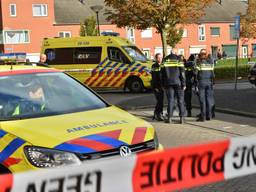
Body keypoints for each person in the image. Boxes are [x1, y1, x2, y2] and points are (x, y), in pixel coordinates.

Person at [161, 52, 186, 124]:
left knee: (170, 100)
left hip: (168, 83)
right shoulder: (179, 59)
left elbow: (162, 73)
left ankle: (169, 118)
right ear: (176, 52)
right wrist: (184, 83)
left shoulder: (165, 60)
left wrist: (163, 84)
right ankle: (181, 118)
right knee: (180, 100)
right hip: (178, 83)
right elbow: (182, 72)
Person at [195, 49, 215, 122]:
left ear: (200, 55)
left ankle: (202, 117)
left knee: (202, 100)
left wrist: (195, 82)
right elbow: (213, 74)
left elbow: (195, 73)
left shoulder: (199, 62)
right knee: (209, 100)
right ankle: (209, 116)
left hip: (201, 82)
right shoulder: (210, 62)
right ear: (206, 54)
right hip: (209, 82)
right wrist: (213, 82)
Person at [151, 53, 164, 121]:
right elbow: (154, 78)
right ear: (156, 58)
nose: (159, 59)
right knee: (159, 100)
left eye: (160, 57)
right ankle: (157, 113)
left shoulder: (163, 65)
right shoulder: (154, 66)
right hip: (156, 86)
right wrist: (156, 87)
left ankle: (159, 113)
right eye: (158, 58)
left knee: (161, 101)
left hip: (162, 86)